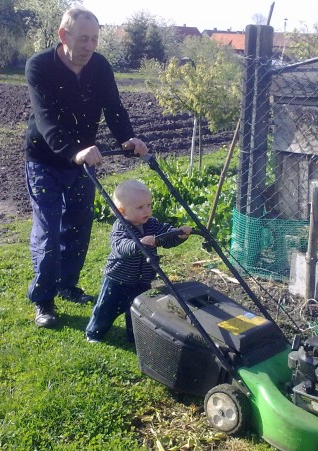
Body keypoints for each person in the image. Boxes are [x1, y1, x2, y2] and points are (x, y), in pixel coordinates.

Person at [24, 6, 148, 328]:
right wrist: (73, 151)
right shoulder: (39, 66)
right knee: (48, 232)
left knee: (78, 228)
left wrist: (128, 139)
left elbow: (114, 109)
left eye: (94, 39)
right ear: (63, 36)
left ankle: (67, 285)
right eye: (83, 39)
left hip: (82, 163)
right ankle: (44, 300)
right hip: (45, 160)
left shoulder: (100, 66)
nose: (89, 46)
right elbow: (46, 119)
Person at [85, 180, 192, 343]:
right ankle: (94, 333)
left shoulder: (152, 224)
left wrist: (178, 234)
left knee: (138, 310)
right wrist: (139, 243)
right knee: (105, 309)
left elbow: (166, 237)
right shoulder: (120, 227)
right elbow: (120, 246)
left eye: (148, 205)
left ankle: (134, 336)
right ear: (122, 211)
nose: (147, 210)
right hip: (117, 279)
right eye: (140, 207)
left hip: (142, 280)